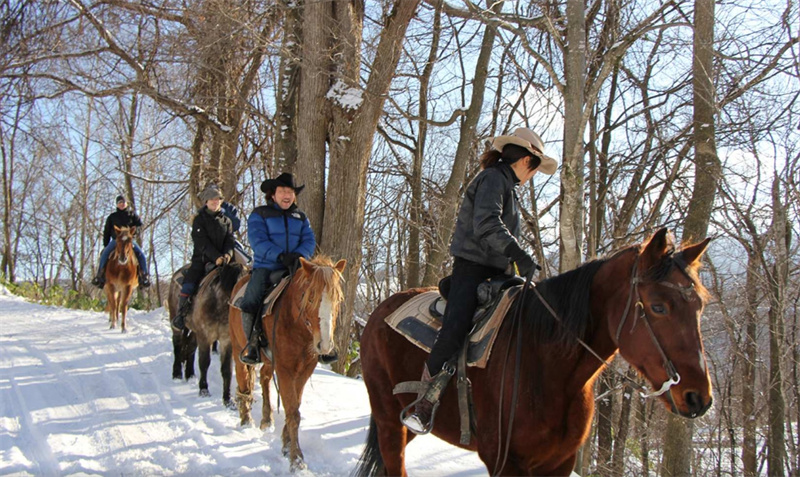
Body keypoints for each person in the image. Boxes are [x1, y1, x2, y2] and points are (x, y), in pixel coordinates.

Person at [401, 127, 558, 434]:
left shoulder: (508, 187)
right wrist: (518, 253)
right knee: (455, 328)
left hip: (499, 274)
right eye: (536, 168)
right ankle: (424, 403)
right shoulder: (492, 179)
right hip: (472, 270)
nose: (534, 175)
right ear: (527, 160)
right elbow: (487, 223)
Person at [238, 172, 316, 364]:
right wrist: (280, 255)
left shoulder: (301, 217)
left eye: (290, 191)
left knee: (322, 297)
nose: (286, 195)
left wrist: (299, 257)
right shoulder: (260, 214)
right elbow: (257, 240)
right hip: (267, 268)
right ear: (273, 194)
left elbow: (309, 240)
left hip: (296, 268)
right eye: (282, 191)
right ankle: (253, 345)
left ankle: (323, 344)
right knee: (250, 300)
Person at [171, 184, 236, 331]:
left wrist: (227, 255)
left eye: (218, 199)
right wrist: (216, 257)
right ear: (206, 201)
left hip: (224, 262)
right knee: (190, 282)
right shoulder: (199, 220)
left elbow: (230, 241)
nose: (215, 201)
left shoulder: (227, 221)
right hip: (202, 260)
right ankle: (182, 314)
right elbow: (202, 242)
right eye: (212, 199)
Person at [91, 195, 151, 288]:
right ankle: (100, 275)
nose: (122, 204)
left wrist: (135, 232)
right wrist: (106, 244)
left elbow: (140, 226)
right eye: (119, 203)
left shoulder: (132, 215)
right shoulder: (112, 217)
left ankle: (144, 276)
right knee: (105, 253)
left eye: (123, 202)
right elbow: (106, 231)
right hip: (116, 240)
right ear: (117, 205)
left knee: (141, 255)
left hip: (128, 241)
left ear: (126, 203)